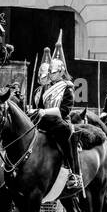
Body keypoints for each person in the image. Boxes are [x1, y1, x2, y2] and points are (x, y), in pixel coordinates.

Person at [30, 53, 83, 194]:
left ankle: (73, 173)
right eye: (50, 72)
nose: (51, 75)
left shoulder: (68, 87)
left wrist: (44, 112)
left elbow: (64, 110)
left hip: (60, 121)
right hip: (44, 120)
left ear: (61, 72)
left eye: (54, 72)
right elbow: (40, 106)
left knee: (65, 134)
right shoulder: (45, 88)